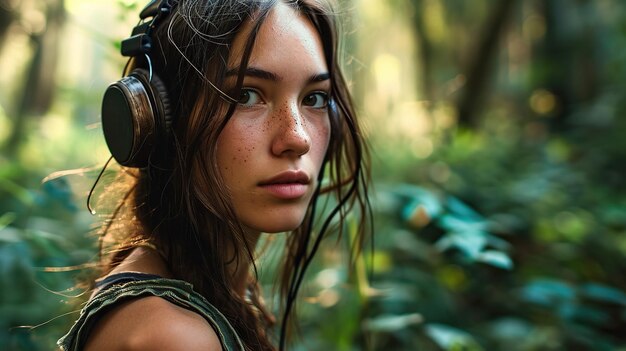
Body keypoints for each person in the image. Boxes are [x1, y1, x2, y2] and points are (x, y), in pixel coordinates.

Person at [58, 0, 370, 350]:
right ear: (161, 120)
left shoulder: (198, 291)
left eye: (314, 98)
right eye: (246, 95)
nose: (297, 138)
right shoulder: (173, 336)